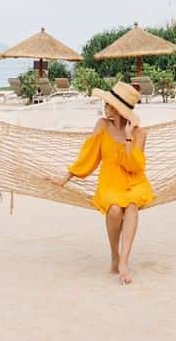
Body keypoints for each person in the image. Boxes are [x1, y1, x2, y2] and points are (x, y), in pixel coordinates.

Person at [53, 80, 153, 284]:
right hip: (109, 182)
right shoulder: (101, 125)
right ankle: (114, 255)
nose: (104, 107)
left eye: (108, 104)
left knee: (132, 206)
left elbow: (134, 166)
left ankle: (123, 263)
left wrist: (127, 138)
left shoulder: (139, 134)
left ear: (117, 109)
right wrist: (65, 179)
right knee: (115, 209)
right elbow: (87, 156)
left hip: (134, 182)